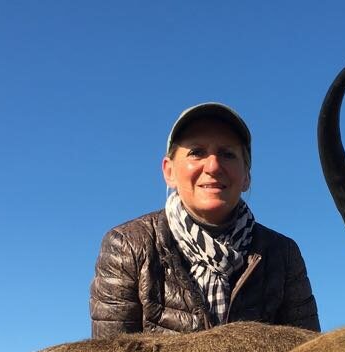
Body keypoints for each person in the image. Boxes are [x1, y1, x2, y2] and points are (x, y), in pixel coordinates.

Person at [90, 103, 320, 336]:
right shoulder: (126, 245)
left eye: (227, 154)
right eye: (196, 152)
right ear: (169, 171)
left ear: (246, 177)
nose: (213, 166)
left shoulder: (283, 253)